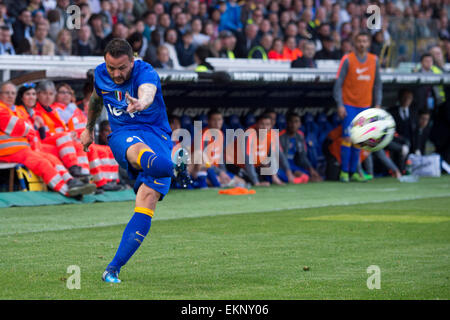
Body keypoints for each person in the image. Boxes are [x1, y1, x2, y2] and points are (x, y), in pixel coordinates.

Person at [80, 38, 190, 283]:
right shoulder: (101, 74)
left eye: (122, 68)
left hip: (156, 134)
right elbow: (97, 99)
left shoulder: (145, 71)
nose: (116, 74)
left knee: (147, 199)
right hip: (123, 133)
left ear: (132, 60)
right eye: (111, 68)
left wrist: (142, 102)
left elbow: (148, 91)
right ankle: (175, 166)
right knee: (137, 151)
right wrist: (89, 128)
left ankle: (113, 269)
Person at [0, 82, 95, 197]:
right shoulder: (2, 109)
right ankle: (67, 191)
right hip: (8, 152)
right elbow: (20, 127)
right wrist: (29, 128)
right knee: (43, 163)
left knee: (53, 158)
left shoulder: (15, 110)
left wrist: (28, 128)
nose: (10, 96)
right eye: (7, 93)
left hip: (22, 149)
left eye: (12, 93)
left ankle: (73, 181)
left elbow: (28, 130)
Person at [333, 31, 382, 182]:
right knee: (347, 138)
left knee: (359, 140)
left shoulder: (374, 60)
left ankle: (354, 172)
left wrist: (378, 104)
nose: (362, 44)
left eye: (365, 41)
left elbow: (378, 85)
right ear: (355, 43)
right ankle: (344, 172)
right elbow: (338, 84)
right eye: (359, 41)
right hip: (349, 105)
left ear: (368, 43)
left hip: (365, 106)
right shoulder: (347, 59)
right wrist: (340, 105)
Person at [279, 112, 322, 182]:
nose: (293, 125)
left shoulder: (300, 136)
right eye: (291, 122)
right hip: (282, 165)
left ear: (300, 124)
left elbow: (302, 156)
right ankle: (296, 178)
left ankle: (300, 178)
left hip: (293, 164)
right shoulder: (280, 136)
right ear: (287, 123)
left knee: (315, 177)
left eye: (296, 122)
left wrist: (311, 169)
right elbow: (279, 158)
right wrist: (291, 170)